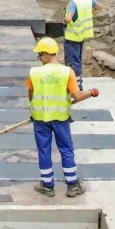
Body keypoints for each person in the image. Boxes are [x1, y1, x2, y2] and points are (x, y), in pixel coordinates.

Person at [27, 37, 99, 197]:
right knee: (66, 150)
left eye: (39, 55)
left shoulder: (34, 73)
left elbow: (31, 96)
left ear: (45, 54)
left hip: (40, 119)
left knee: (43, 151)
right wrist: (90, 92)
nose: (39, 59)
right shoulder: (67, 72)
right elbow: (77, 96)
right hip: (61, 118)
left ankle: (47, 186)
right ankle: (73, 185)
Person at [63, 0, 102, 89]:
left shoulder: (73, 3)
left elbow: (68, 18)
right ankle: (75, 83)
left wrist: (65, 21)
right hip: (81, 35)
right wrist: (89, 15)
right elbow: (99, 7)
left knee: (72, 61)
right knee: (78, 59)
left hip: (72, 36)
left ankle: (76, 86)